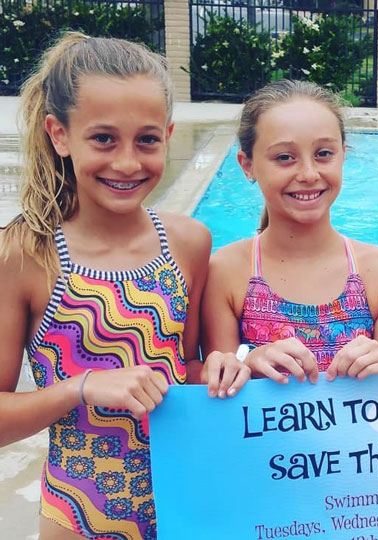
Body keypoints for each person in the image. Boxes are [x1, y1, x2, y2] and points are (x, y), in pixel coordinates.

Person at [0, 34, 211, 539]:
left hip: (186, 508)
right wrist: (81, 387)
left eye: (147, 140)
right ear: (59, 134)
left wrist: (242, 366)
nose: (127, 163)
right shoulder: (25, 254)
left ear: (168, 134)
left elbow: (186, 368)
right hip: (78, 518)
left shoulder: (188, 242)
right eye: (103, 139)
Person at [201, 80, 378, 396]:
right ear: (247, 166)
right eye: (285, 158)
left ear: (344, 154)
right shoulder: (226, 272)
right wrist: (248, 361)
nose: (309, 173)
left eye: (324, 153)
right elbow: (215, 386)